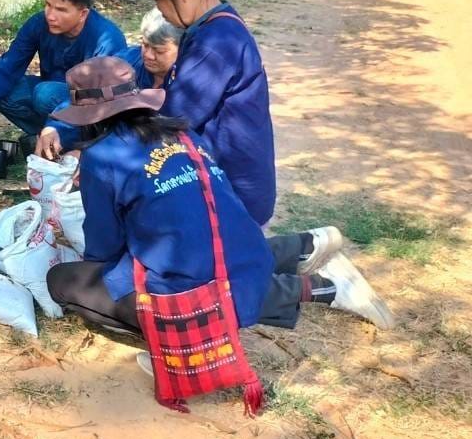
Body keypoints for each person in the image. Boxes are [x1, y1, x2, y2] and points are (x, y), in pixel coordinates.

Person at [44, 58, 395, 369]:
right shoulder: (182, 134)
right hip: (247, 257)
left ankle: (179, 339)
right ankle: (306, 247)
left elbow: (105, 247)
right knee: (214, 249)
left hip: (197, 295)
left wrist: (92, 264)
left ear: (89, 118)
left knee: (62, 281)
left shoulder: (103, 157)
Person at [118, 0, 276, 226]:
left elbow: (173, 118)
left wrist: (109, 152)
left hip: (233, 194)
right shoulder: (211, 27)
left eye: (159, 2)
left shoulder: (216, 43)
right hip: (220, 183)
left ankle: (302, 258)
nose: (160, 12)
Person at [0, 0, 126, 143]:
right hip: (54, 99)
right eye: (48, 5)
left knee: (45, 93)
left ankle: (73, 139)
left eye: (61, 10)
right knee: (1, 90)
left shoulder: (106, 39)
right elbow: (8, 66)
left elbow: (102, 100)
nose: (50, 15)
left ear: (83, 13)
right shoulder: (38, 23)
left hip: (92, 105)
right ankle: (47, 137)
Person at [36, 8, 182, 158]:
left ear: (182, 47)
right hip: (112, 127)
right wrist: (54, 127)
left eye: (159, 51)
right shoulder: (128, 60)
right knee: (48, 95)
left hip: (150, 145)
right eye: (145, 45)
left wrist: (91, 154)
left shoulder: (191, 80)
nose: (148, 55)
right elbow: (86, 95)